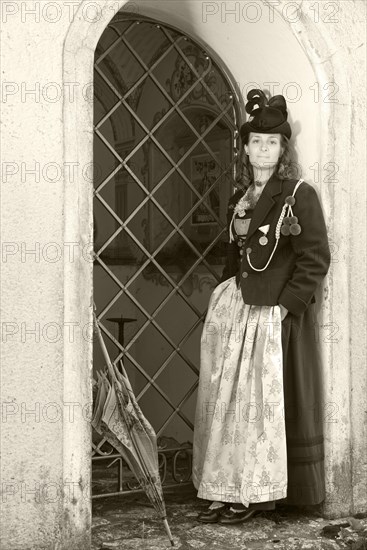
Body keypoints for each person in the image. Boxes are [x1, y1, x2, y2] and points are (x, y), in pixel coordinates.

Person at [192, 89, 331, 525]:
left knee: (261, 405)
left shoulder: (299, 194)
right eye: (256, 141)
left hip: (273, 315)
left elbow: (315, 258)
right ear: (246, 148)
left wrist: (286, 308)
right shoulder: (239, 197)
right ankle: (227, 485)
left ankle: (256, 493)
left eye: (272, 142)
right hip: (237, 311)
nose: (263, 149)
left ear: (282, 149)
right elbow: (234, 257)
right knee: (229, 402)